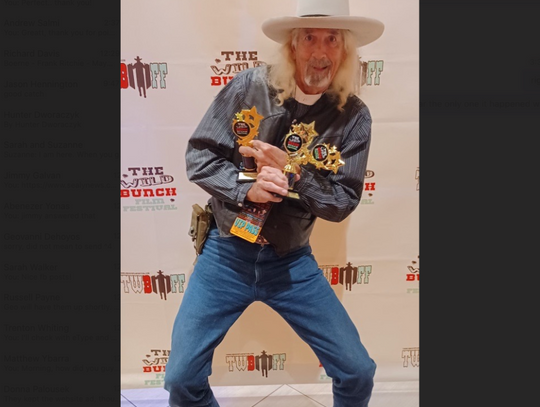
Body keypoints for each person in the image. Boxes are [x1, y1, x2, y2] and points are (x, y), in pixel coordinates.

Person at [164, 0, 384, 406]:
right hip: (225, 254)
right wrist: (244, 188)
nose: (319, 52)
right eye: (309, 38)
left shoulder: (353, 117)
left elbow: (342, 202)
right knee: (180, 378)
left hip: (291, 262)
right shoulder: (249, 87)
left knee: (357, 370)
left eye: (332, 39)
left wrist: (294, 175)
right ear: (292, 46)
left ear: (345, 50)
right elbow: (199, 157)